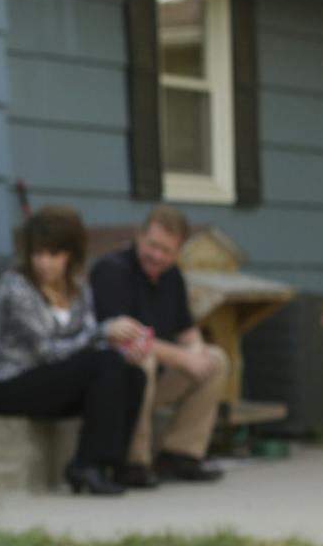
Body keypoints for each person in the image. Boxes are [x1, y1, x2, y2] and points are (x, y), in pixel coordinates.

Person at [0, 206, 150, 496]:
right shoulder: (16, 287)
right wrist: (103, 333)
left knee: (132, 374)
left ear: (71, 253)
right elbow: (48, 351)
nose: (44, 263)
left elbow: (86, 341)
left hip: (57, 382)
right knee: (105, 363)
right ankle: (86, 464)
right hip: (12, 382)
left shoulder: (79, 287)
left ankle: (112, 464)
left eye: (53, 254)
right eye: (37, 253)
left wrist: (121, 346)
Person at [88, 205, 227, 486]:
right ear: (139, 237)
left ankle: (181, 454)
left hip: (159, 379)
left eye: (167, 251)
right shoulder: (112, 271)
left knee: (216, 359)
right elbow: (124, 339)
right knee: (141, 358)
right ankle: (133, 462)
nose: (157, 256)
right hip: (113, 383)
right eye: (153, 245)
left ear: (177, 253)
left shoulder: (172, 277)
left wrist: (197, 352)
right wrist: (183, 358)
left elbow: (187, 331)